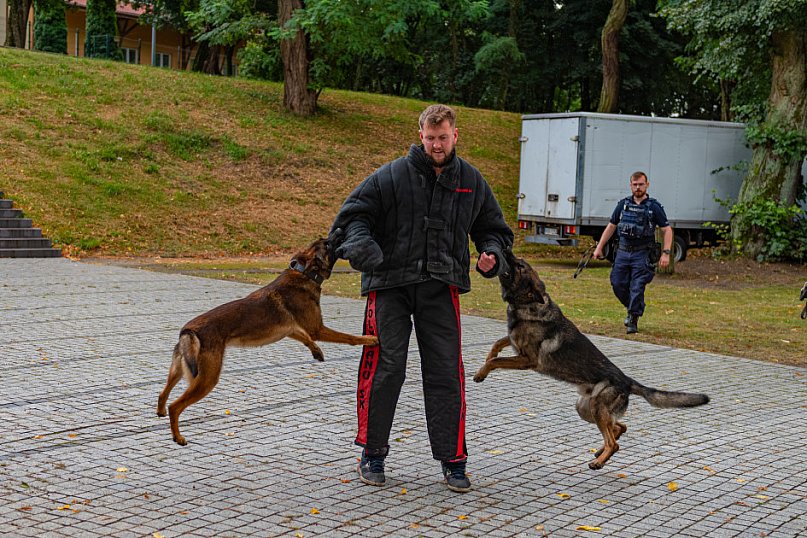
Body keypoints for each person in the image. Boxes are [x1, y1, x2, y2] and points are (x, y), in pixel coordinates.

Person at [329, 104, 513, 493]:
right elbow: (352, 217)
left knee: (446, 371)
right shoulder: (391, 176)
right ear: (420, 135)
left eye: (443, 138)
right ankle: (372, 452)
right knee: (386, 366)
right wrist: (363, 246)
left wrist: (491, 255)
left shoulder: (471, 181)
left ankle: (454, 460)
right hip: (390, 284)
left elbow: (493, 229)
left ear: (455, 135)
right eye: (429, 139)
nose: (436, 145)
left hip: (441, 286)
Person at [593, 171, 672, 334]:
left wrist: (666, 253)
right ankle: (634, 308)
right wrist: (599, 247)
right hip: (622, 252)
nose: (638, 188)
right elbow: (611, 226)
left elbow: (667, 229)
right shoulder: (623, 205)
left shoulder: (654, 207)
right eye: (635, 185)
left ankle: (633, 319)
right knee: (617, 283)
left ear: (647, 185)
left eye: (641, 184)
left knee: (637, 286)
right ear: (630, 186)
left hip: (642, 253)